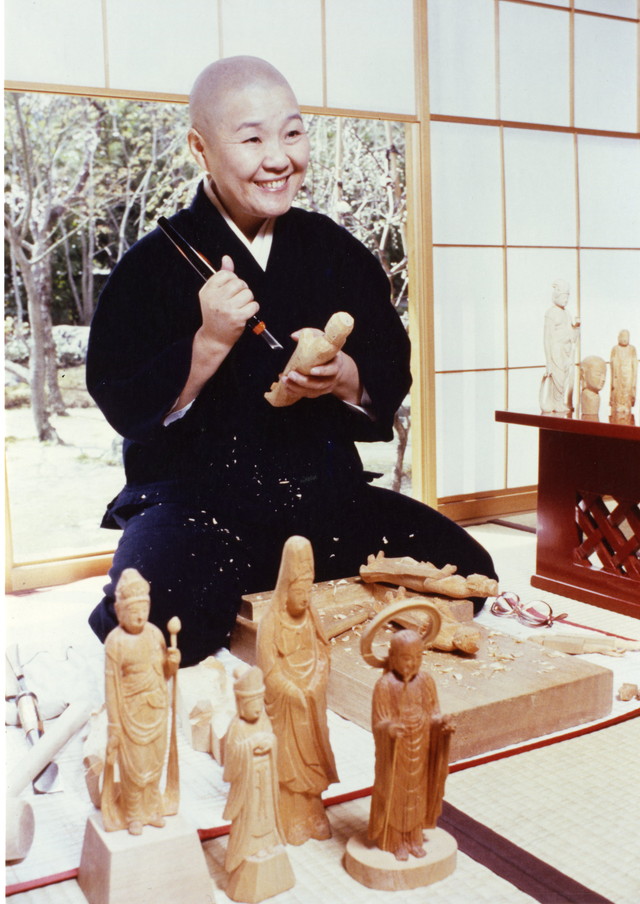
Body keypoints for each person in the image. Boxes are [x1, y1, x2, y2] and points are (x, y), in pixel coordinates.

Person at [86, 55, 498, 667]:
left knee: (467, 571)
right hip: (199, 505)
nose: (279, 158)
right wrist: (209, 343)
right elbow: (120, 394)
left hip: (318, 496)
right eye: (252, 139)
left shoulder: (334, 249)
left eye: (293, 133)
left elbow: (388, 362)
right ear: (201, 148)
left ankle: (260, 593)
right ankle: (238, 590)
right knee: (157, 624)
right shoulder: (153, 263)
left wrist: (342, 377)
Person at [256, 535, 338, 845]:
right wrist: (290, 690)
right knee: (289, 762)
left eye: (309, 590)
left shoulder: (311, 617)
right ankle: (291, 816)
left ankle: (314, 812)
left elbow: (324, 652)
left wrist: (316, 682)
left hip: (311, 703)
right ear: (285, 590)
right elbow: (268, 669)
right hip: (287, 706)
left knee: (313, 758)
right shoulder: (270, 623)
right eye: (299, 591)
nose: (305, 598)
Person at [101, 568, 181, 835]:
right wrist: (114, 725)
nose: (139, 616)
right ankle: (134, 813)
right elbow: (111, 688)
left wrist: (172, 663)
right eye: (133, 610)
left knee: (154, 763)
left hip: (156, 709)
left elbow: (164, 674)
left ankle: (152, 808)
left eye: (144, 609)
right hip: (130, 713)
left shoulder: (155, 634)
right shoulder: (115, 642)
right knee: (133, 767)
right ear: (119, 611)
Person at [368, 629, 448, 861]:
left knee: (417, 793)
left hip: (421, 747)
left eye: (417, 657)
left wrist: (440, 723)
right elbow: (379, 721)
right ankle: (395, 841)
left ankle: (413, 838)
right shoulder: (385, 685)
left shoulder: (425, 681)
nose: (412, 663)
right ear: (392, 657)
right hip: (396, 752)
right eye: (405, 658)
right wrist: (390, 729)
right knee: (396, 793)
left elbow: (433, 712)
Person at [223, 665, 294, 900]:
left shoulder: (263, 719)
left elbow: (272, 738)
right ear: (241, 704)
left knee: (267, 812)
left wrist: (269, 742)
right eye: (251, 705)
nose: (256, 709)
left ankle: (267, 844)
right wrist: (250, 746)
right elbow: (232, 756)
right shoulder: (237, 727)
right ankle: (252, 849)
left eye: (259, 703)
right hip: (249, 781)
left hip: (265, 776)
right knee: (252, 814)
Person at [543, 279, 580, 413]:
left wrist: (577, 327)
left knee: (564, 378)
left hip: (566, 351)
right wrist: (548, 361)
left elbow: (573, 337)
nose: (566, 300)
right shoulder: (551, 313)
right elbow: (547, 338)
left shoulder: (567, 313)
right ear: (557, 296)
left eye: (567, 297)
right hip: (556, 351)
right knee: (557, 377)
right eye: (564, 296)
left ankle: (559, 402)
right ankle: (554, 403)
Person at [609, 329, 637, 422]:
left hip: (628, 373)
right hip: (618, 373)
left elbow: (634, 364)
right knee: (618, 389)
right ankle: (618, 405)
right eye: (623, 336)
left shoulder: (632, 349)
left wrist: (634, 379)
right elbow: (613, 362)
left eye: (626, 337)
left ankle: (626, 405)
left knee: (627, 389)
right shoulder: (615, 349)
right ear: (618, 338)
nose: (625, 339)